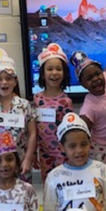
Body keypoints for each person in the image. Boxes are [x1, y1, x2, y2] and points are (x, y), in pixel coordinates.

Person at [73, 26, 106, 195]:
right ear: (83, 85)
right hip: (100, 152)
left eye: (97, 74)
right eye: (89, 78)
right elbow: (82, 130)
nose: (96, 79)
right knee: (101, 184)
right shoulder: (89, 106)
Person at [0, 49, 37, 183]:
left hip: (23, 162)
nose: (4, 82)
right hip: (2, 166)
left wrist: (28, 159)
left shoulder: (24, 105)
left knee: (24, 195)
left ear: (15, 81)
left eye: (8, 79)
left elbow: (33, 134)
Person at [32, 42, 73, 183]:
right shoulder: (36, 99)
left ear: (64, 73)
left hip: (62, 153)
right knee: (48, 184)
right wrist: (33, 153)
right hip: (44, 153)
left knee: (63, 184)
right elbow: (34, 129)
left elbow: (70, 131)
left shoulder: (66, 101)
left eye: (58, 69)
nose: (54, 73)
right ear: (43, 73)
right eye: (49, 69)